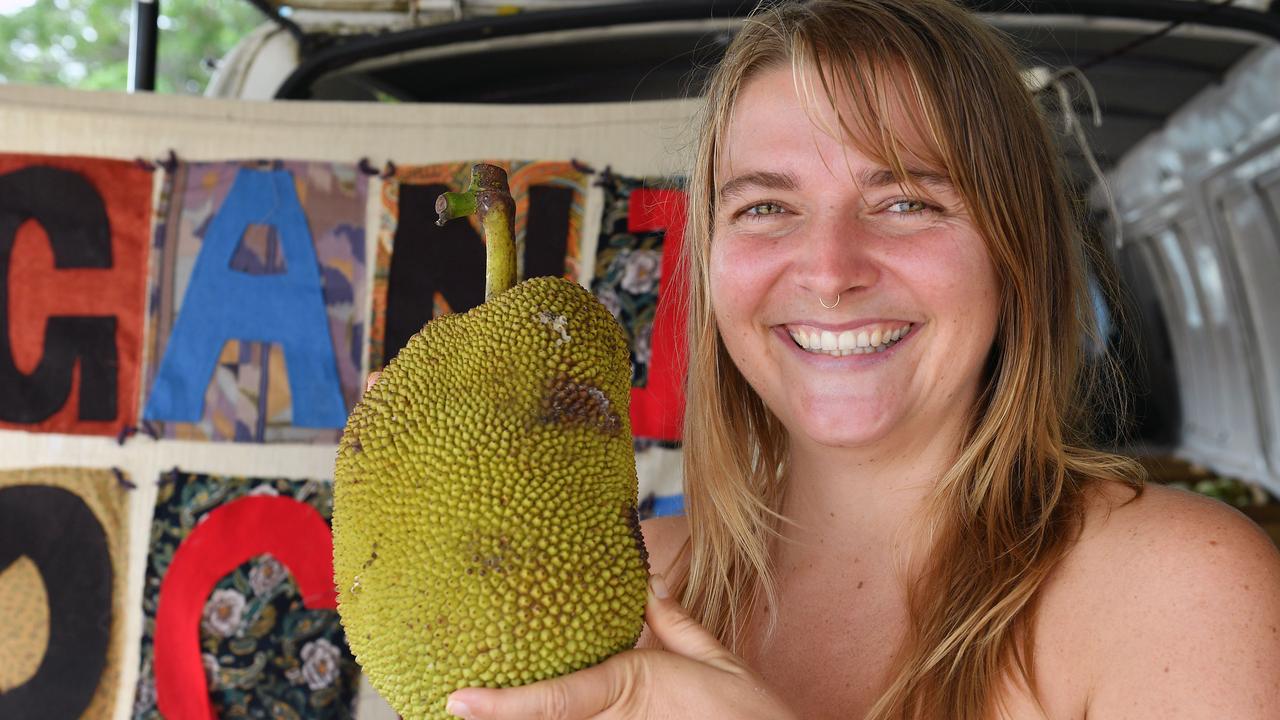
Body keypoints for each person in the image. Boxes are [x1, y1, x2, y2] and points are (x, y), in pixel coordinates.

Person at [439, 0, 1280, 717]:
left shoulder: (1184, 589)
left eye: (906, 200)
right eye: (767, 206)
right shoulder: (616, 581)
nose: (831, 271)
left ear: (1015, 250)